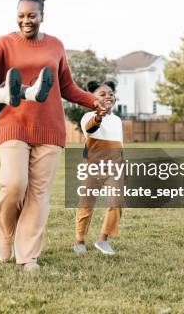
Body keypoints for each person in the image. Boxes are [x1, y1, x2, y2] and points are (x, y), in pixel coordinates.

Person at [0, 0, 106, 271]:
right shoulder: (3, 43)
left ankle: (28, 255)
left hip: (50, 129)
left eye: (32, 15)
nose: (26, 20)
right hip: (13, 124)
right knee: (14, 185)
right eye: (21, 15)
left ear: (42, 16)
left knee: (38, 195)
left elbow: (66, 86)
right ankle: (5, 232)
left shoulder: (55, 45)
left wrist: (94, 102)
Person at [74, 80, 124, 256]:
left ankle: (103, 240)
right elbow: (91, 128)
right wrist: (99, 115)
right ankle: (79, 240)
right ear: (93, 98)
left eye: (110, 93)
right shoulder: (88, 117)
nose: (108, 96)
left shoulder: (117, 120)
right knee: (87, 204)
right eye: (102, 94)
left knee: (117, 202)